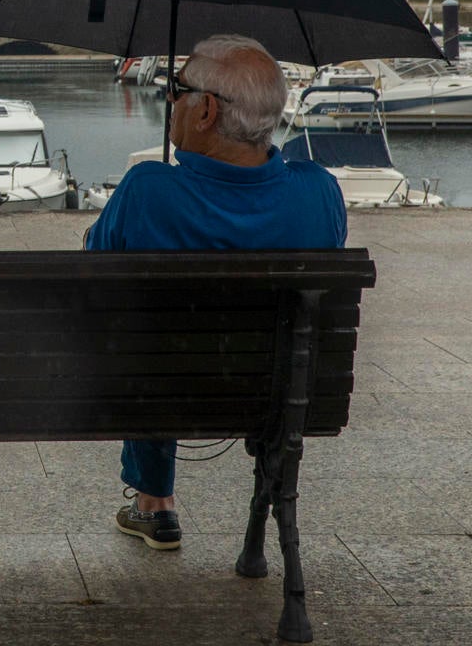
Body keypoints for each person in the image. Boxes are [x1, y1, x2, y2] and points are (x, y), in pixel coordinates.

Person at [82, 34, 346, 552]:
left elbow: (95, 269)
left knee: (149, 338)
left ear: (205, 111)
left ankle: (154, 500)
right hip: (277, 395)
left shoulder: (148, 191)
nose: (169, 99)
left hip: (157, 390)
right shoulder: (319, 191)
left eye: (176, 89)